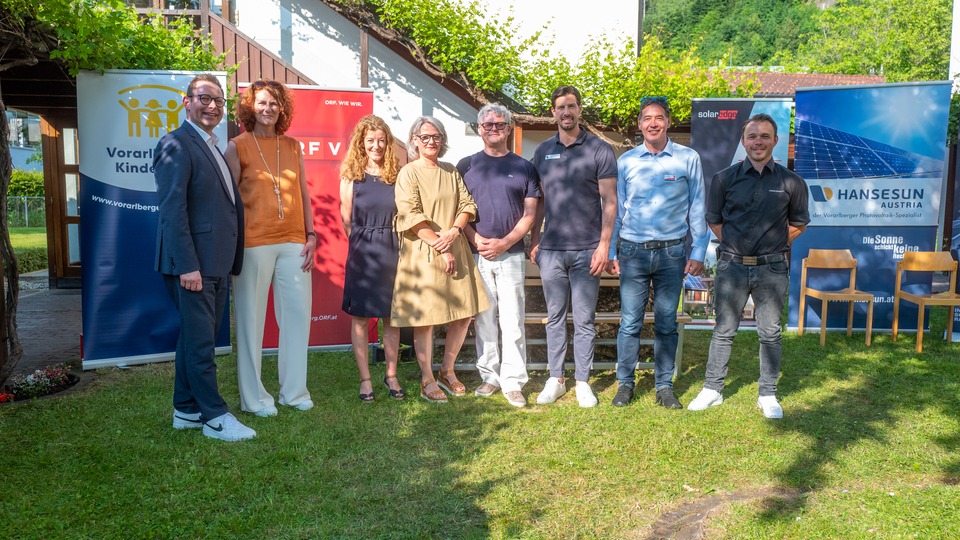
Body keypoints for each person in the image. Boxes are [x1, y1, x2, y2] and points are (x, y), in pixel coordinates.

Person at [688, 113, 810, 419]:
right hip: (732, 267)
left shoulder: (791, 182)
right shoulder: (724, 179)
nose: (758, 142)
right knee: (724, 330)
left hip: (772, 270)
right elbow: (714, 220)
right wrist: (736, 244)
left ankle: (768, 394)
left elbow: (799, 223)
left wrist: (773, 245)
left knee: (770, 333)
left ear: (775, 141)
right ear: (744, 142)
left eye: (765, 136)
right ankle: (712, 389)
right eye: (752, 136)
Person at [154, 74, 254, 441]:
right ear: (187, 101)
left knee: (195, 338)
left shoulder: (211, 145)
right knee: (201, 344)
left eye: (217, 101)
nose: (212, 106)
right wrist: (189, 266)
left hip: (214, 261)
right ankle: (215, 417)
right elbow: (172, 211)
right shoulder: (175, 144)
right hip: (193, 264)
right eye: (204, 98)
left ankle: (185, 409)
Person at [607, 96, 708, 409]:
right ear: (640, 124)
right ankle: (625, 383)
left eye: (659, 118)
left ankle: (664, 386)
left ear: (668, 122)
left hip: (672, 253)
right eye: (647, 118)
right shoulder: (626, 162)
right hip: (632, 252)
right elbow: (616, 210)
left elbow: (698, 207)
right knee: (630, 323)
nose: (653, 123)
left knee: (665, 323)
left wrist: (699, 251)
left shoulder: (688, 158)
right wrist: (611, 250)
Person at [224, 80, 316, 417]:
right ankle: (254, 399)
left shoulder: (292, 146)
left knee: (296, 318)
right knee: (250, 321)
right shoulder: (237, 146)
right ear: (251, 107)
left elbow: (303, 195)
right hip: (253, 243)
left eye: (275, 103)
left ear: (283, 109)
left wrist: (311, 235)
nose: (268, 109)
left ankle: (294, 392)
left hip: (293, 242)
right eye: (262, 103)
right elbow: (228, 199)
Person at [391, 116, 489, 403]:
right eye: (424, 137)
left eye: (435, 136)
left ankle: (448, 369)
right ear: (414, 141)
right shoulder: (408, 172)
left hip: (454, 246)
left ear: (442, 140)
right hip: (424, 251)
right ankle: (427, 379)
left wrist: (456, 230)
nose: (431, 141)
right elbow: (410, 215)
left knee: (464, 314)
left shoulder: (449, 170)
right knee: (427, 318)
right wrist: (441, 246)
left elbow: (467, 204)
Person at [531, 85, 617, 408]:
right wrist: (535, 241)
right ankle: (556, 379)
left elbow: (610, 201)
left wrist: (604, 245)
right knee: (555, 317)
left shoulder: (599, 149)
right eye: (560, 107)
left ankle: (582, 381)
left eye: (571, 106)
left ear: (580, 109)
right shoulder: (542, 152)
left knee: (583, 319)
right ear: (553, 112)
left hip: (586, 250)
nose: (566, 112)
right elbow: (538, 201)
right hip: (551, 250)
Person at [457, 103, 541, 408]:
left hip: (511, 255)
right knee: (484, 318)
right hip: (477, 254)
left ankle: (513, 381)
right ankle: (490, 376)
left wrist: (505, 242)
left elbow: (530, 214)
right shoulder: (465, 166)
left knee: (513, 320)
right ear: (480, 129)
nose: (494, 129)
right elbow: (459, 211)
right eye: (488, 125)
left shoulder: (524, 167)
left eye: (499, 124)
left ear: (508, 128)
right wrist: (476, 239)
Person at [339, 115, 406, 402]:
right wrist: (364, 243)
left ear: (387, 143)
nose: (376, 145)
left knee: (392, 317)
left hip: (393, 248)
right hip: (363, 251)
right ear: (361, 144)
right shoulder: (350, 176)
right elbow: (346, 220)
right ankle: (365, 379)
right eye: (370, 141)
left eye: (381, 140)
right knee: (361, 317)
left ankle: (391, 375)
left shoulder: (398, 174)